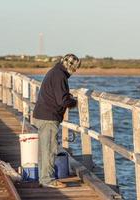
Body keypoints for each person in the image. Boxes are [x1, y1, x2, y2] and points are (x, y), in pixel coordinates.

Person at [33, 54, 81, 188]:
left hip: (42, 115)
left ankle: (44, 178)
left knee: (44, 149)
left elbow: (58, 95)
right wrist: (74, 101)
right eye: (75, 68)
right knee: (49, 149)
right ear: (71, 66)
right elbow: (62, 100)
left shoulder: (55, 72)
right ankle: (48, 179)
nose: (75, 71)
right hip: (48, 117)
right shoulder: (60, 75)